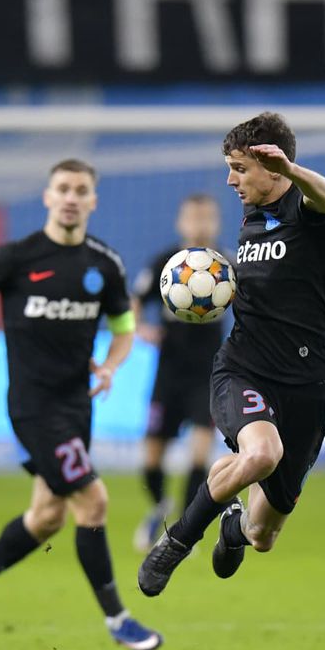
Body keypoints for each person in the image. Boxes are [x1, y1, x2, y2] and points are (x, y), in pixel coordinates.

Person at [138, 111, 325, 596]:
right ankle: (177, 540)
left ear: (273, 169)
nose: (231, 181)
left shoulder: (305, 206)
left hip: (307, 385)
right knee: (261, 454)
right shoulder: (253, 213)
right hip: (244, 367)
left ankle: (233, 525)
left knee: (263, 535)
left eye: (239, 169)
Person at [0, 158, 162, 650]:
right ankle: (118, 618)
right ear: (48, 196)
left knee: (47, 516)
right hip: (33, 407)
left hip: (77, 406)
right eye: (63, 188)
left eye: (80, 190)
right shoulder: (16, 257)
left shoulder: (105, 264)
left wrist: (110, 366)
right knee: (93, 501)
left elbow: (123, 330)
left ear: (93, 200)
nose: (71, 197)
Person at [130, 193, 229, 551]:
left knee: (199, 454)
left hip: (208, 373)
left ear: (216, 222)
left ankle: (183, 531)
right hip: (168, 371)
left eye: (207, 218)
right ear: (180, 222)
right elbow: (135, 301)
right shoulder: (166, 263)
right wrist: (140, 328)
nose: (200, 225)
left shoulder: (225, 266)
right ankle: (160, 505)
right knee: (151, 458)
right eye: (193, 218)